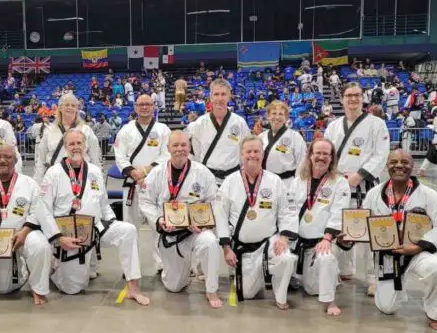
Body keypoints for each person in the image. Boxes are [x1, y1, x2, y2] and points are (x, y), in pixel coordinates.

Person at [37, 129, 149, 305]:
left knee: (128, 231)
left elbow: (103, 204)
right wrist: (58, 238)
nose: (76, 147)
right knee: (73, 288)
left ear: (85, 146)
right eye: (71, 144)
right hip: (68, 234)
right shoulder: (53, 173)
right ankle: (56, 267)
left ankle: (133, 288)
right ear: (65, 147)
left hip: (95, 227)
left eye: (79, 143)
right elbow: (43, 209)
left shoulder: (95, 171)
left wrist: (111, 222)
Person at [359, 150, 437, 330]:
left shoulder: (428, 195)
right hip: (388, 256)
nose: (399, 165)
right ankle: (395, 290)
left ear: (412, 166)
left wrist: (419, 246)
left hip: (418, 252)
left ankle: (434, 314)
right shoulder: (374, 194)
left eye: (404, 162)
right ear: (387, 165)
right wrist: (349, 239)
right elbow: (362, 224)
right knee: (387, 308)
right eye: (394, 162)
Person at [139, 131, 222, 308]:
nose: (180, 149)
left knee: (210, 242)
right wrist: (159, 220)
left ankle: (211, 289)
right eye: (175, 145)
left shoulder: (202, 172)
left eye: (183, 145)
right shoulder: (157, 172)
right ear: (168, 148)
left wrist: (203, 223)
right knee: (175, 287)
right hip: (170, 232)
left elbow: (214, 201)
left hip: (195, 231)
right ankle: (181, 270)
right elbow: (145, 201)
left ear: (189, 147)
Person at [218, 136, 298, 309]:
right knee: (246, 294)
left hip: (269, 242)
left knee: (286, 258)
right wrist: (226, 248)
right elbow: (221, 215)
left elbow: (287, 211)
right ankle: (258, 274)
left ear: (263, 154)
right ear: (241, 154)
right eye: (248, 151)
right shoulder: (230, 181)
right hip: (243, 247)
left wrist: (284, 238)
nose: (252, 155)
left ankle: (280, 296)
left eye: (256, 151)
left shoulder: (275, 181)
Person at [0, 145, 52, 303]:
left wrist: (24, 232)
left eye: (7, 157)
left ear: (16, 161)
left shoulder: (29, 183)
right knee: (3, 289)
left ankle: (38, 289)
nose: (2, 160)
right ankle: (23, 273)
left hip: (24, 233)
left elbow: (37, 210)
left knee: (41, 246)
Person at [323, 82, 389, 287]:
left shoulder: (376, 124)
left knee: (369, 231)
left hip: (365, 185)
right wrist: (332, 176)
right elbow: (326, 153)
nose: (353, 99)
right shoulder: (333, 126)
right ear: (342, 99)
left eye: (357, 95)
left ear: (363, 98)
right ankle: (344, 269)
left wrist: (359, 175)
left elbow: (381, 154)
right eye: (349, 95)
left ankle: (373, 278)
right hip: (338, 183)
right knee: (339, 226)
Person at [287, 138, 350, 315]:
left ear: (332, 158)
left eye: (325, 154)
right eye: (318, 153)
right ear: (310, 155)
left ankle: (329, 301)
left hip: (321, 241)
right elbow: (289, 209)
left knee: (325, 259)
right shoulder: (299, 180)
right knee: (281, 259)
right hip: (299, 242)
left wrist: (327, 238)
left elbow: (338, 213)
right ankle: (320, 275)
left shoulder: (340, 182)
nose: (321, 157)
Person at [113, 94, 171, 273]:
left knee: (159, 223)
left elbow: (166, 155)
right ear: (135, 107)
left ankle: (161, 264)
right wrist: (134, 173)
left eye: (148, 104)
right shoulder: (126, 130)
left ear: (154, 106)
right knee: (130, 227)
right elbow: (120, 156)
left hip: (156, 184)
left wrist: (145, 172)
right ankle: (130, 267)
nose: (144, 107)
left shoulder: (163, 129)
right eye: (141, 104)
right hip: (132, 183)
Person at [188, 79, 250, 184]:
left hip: (233, 179)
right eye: (216, 94)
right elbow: (196, 154)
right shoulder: (200, 124)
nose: (220, 98)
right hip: (208, 179)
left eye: (223, 94)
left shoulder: (240, 123)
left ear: (229, 96)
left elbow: (245, 151)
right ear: (211, 97)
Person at [34, 92, 100, 183]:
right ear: (60, 108)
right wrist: (38, 182)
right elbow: (41, 160)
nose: (70, 107)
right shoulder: (49, 131)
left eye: (73, 105)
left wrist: (97, 183)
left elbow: (95, 159)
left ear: (77, 109)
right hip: (54, 179)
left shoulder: (86, 130)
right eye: (67, 105)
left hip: (81, 178)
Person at [259, 101, 307, 184]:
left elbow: (302, 162)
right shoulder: (261, 137)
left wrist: (297, 184)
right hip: (265, 182)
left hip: (287, 183)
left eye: (281, 114)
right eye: (274, 113)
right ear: (268, 116)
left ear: (286, 117)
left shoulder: (295, 137)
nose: (277, 117)